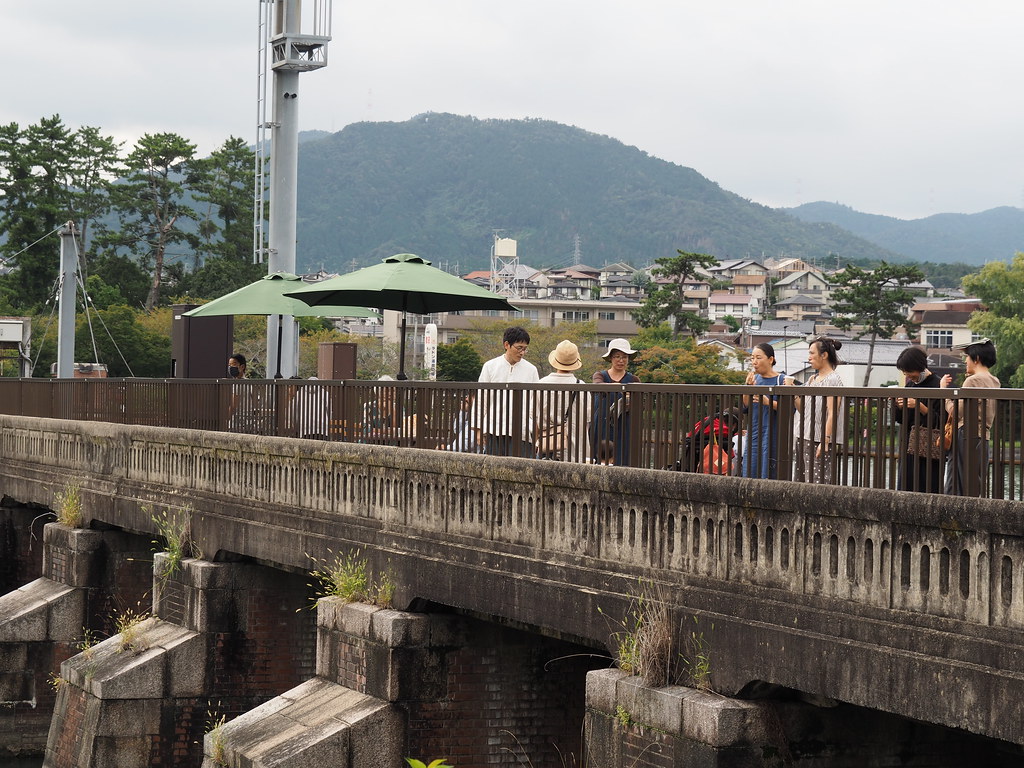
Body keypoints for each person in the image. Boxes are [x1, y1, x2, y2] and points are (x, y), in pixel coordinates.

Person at [940, 339, 999, 497]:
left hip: (965, 434)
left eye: (967, 357)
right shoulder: (995, 381)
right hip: (983, 435)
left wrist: (944, 393)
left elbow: (956, 412)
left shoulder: (972, 381)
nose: (965, 360)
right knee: (974, 482)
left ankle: (952, 516)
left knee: (956, 482)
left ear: (976, 358)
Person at [785, 337, 845, 484]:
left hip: (818, 438)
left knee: (817, 482)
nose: (809, 357)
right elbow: (803, 409)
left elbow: (833, 413)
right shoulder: (812, 379)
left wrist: (825, 440)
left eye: (812, 353)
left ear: (824, 355)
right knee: (802, 481)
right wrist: (793, 392)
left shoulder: (832, 380)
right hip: (803, 434)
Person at [474, 326, 540, 457]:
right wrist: (478, 429)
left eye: (525, 349)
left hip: (522, 430)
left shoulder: (531, 370)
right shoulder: (490, 366)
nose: (522, 352)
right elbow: (482, 399)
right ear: (506, 345)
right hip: (494, 428)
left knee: (520, 471)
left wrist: (535, 432)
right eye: (519, 348)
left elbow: (535, 403)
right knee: (493, 469)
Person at [893, 346, 942, 493]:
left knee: (928, 488)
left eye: (909, 371)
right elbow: (901, 420)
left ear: (920, 367)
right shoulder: (910, 385)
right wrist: (899, 406)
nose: (908, 375)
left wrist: (920, 406)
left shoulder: (938, 385)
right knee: (906, 488)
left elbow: (942, 421)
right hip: (909, 446)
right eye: (904, 372)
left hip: (930, 449)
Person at [536, 340, 592, 462]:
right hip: (576, 450)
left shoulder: (541, 385)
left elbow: (534, 418)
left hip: (547, 447)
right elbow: (587, 422)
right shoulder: (582, 387)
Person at [590, 338, 640, 466]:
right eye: (617, 356)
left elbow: (641, 404)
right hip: (602, 423)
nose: (621, 360)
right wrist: (622, 388)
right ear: (611, 358)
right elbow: (598, 386)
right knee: (599, 459)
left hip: (624, 425)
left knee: (623, 459)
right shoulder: (600, 375)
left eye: (624, 357)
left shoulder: (633, 379)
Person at [741, 342, 785, 478]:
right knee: (750, 470)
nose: (754, 362)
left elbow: (789, 409)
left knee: (771, 472)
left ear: (770, 359)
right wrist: (748, 388)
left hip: (773, 433)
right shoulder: (755, 379)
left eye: (758, 358)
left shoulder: (781, 379)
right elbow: (746, 406)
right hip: (754, 431)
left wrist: (768, 402)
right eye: (752, 358)